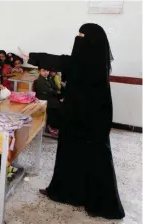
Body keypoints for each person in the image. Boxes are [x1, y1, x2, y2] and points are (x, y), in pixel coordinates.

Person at [19, 23, 125, 219]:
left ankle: (96, 202)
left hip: (86, 122)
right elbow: (63, 61)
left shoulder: (84, 64)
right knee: (75, 154)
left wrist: (32, 57)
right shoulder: (96, 64)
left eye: (81, 36)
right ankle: (71, 194)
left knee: (91, 158)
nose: (78, 39)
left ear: (91, 41)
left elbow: (61, 62)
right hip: (84, 119)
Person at [33, 67, 62, 136]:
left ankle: (54, 126)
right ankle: (50, 127)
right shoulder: (39, 81)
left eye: (47, 70)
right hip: (43, 99)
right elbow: (49, 91)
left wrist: (53, 90)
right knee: (57, 106)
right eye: (43, 71)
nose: (46, 72)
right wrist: (53, 91)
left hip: (49, 98)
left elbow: (56, 88)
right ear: (39, 71)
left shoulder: (48, 78)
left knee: (60, 104)